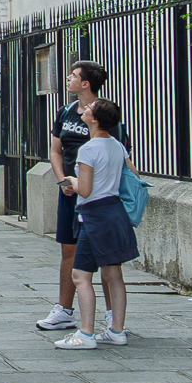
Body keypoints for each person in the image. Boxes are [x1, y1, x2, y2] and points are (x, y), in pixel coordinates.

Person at [38, 61, 132, 331]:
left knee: (107, 258)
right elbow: (55, 150)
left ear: (86, 83)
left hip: (96, 198)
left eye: (74, 75)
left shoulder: (104, 115)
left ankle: (112, 317)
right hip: (71, 193)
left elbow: (123, 158)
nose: (68, 78)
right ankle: (64, 310)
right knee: (68, 250)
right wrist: (62, 180)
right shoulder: (66, 112)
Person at [56, 99, 135, 350]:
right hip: (115, 213)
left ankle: (86, 334)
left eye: (90, 109)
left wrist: (70, 180)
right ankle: (117, 331)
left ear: (95, 119)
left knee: (80, 276)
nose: (86, 109)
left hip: (94, 216)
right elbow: (133, 175)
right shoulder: (117, 146)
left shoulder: (88, 149)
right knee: (113, 274)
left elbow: (85, 190)